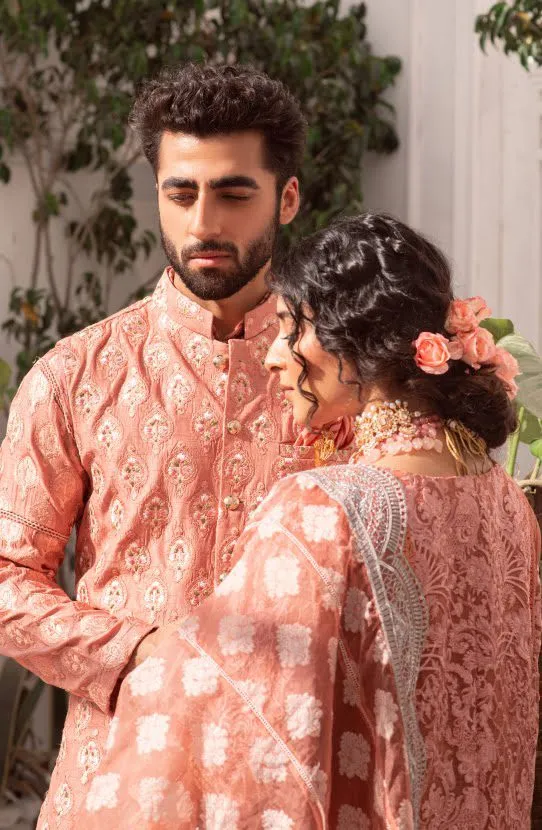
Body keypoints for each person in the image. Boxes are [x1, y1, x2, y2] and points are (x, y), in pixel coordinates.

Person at [77, 214, 539, 829]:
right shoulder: (508, 501)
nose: (272, 355)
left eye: (293, 327)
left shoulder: (323, 509)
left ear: (359, 340)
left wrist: (152, 656)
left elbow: (245, 726)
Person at [0, 64, 350, 828]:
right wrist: (137, 650)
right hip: (120, 783)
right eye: (180, 192)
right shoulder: (75, 377)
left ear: (287, 198)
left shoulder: (345, 376)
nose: (203, 224)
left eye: (233, 193)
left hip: (298, 788)